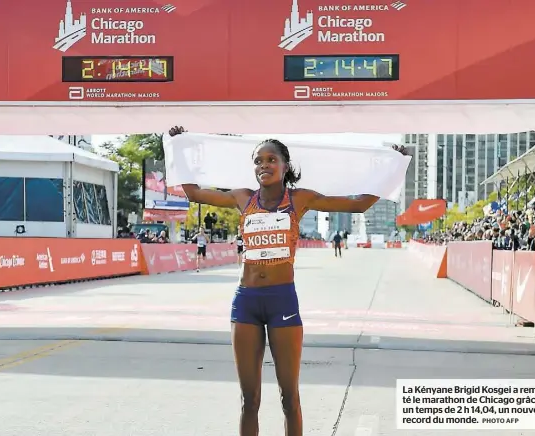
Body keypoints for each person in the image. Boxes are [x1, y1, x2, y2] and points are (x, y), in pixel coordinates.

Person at [169, 126, 407, 436]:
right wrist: (179, 148)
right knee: (249, 400)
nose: (263, 166)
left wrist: (394, 168)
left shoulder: (300, 199)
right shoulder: (243, 198)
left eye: (271, 159)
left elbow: (358, 204)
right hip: (246, 303)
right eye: (258, 161)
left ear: (285, 166)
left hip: (282, 300)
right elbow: (194, 193)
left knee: (289, 397)